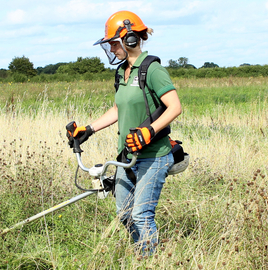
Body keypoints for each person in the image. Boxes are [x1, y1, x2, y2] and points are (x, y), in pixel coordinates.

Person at [67, 10, 182, 254]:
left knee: (141, 216)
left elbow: (175, 106)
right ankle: (141, 250)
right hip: (126, 156)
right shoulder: (122, 72)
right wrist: (89, 129)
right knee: (124, 214)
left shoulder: (152, 69)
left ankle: (148, 261)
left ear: (129, 39)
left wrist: (150, 131)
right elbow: (120, 107)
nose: (111, 48)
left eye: (113, 43)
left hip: (153, 155)